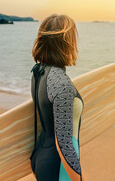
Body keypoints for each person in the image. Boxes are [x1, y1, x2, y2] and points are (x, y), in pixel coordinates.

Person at [30, 14, 85, 181]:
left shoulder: (38, 72)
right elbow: (64, 144)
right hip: (59, 167)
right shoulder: (62, 84)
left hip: (41, 156)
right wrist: (78, 178)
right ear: (66, 43)